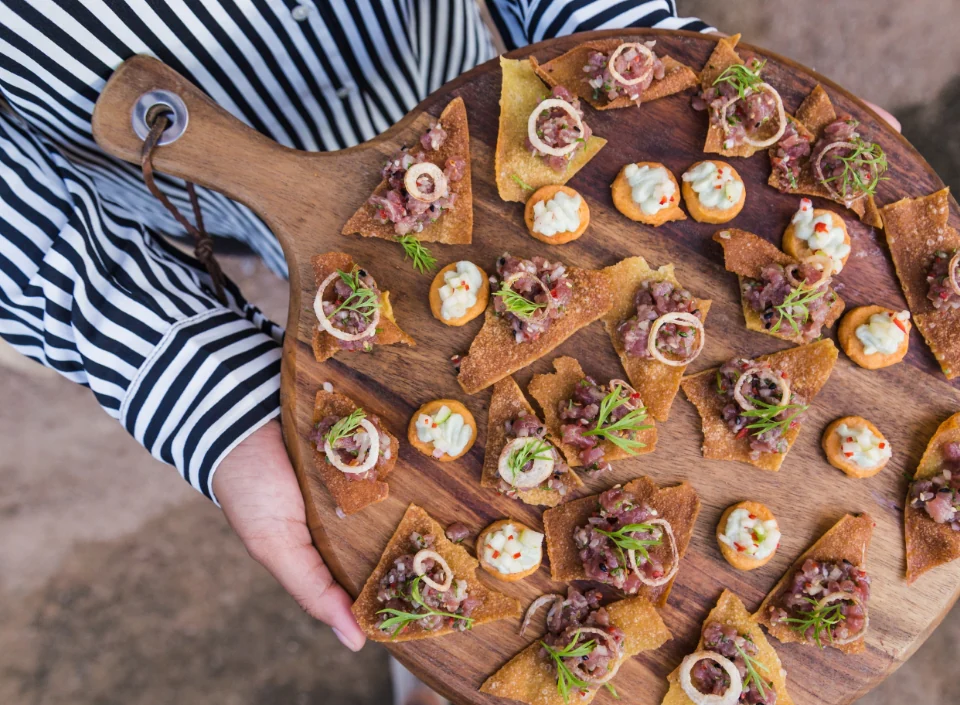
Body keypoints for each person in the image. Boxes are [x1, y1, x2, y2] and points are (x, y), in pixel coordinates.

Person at [0, 0, 898, 661]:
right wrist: (197, 380)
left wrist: (619, 42)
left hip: (451, 71)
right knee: (317, 264)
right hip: (177, 181)